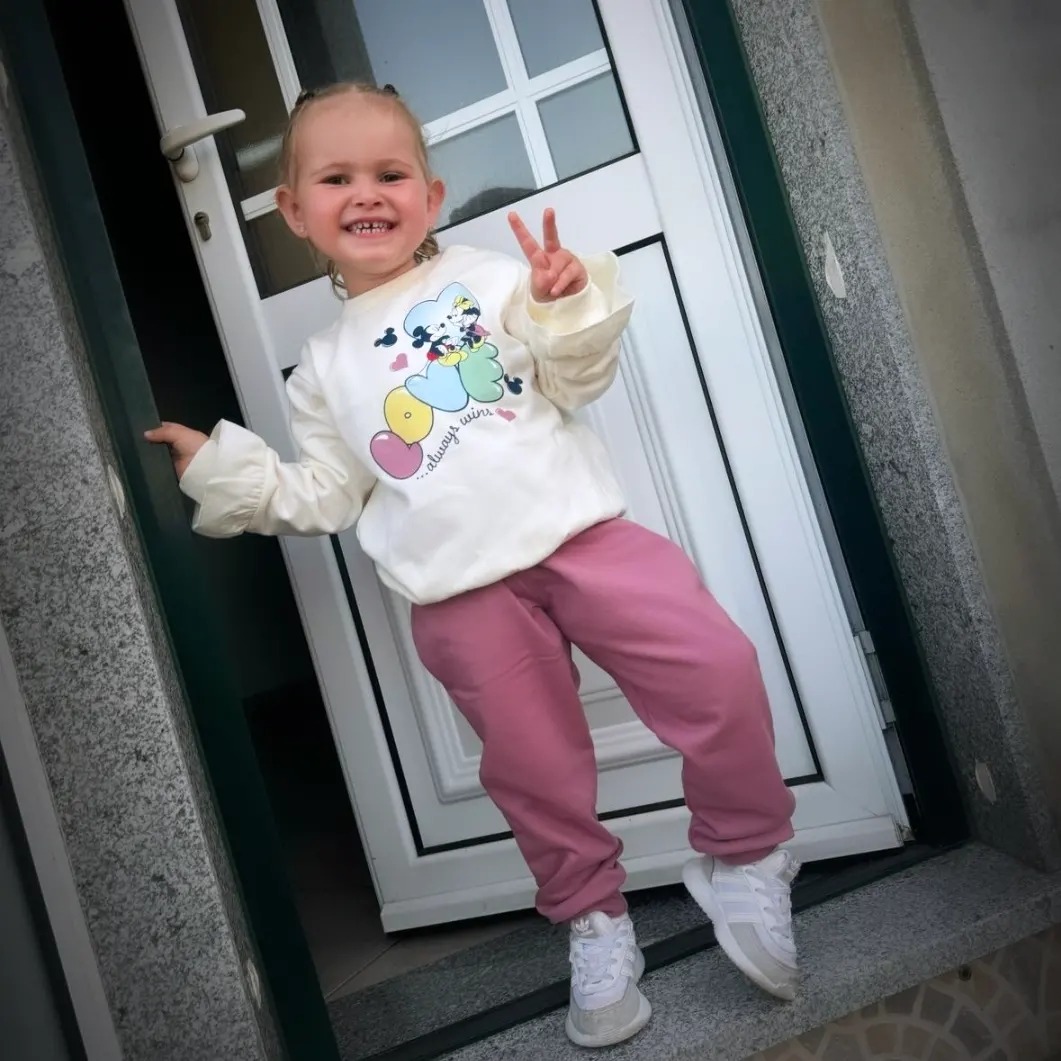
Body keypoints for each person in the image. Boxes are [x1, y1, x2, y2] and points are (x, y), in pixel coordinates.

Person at [145, 81, 800, 1048]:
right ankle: (593, 918)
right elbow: (329, 492)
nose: (366, 193)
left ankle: (746, 856)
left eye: (390, 173)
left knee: (718, 666)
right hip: (459, 593)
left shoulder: (492, 278)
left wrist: (560, 303)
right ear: (293, 211)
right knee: (533, 767)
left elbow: (576, 379)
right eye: (336, 177)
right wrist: (227, 469)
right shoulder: (320, 367)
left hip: (581, 536)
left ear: (432, 194)